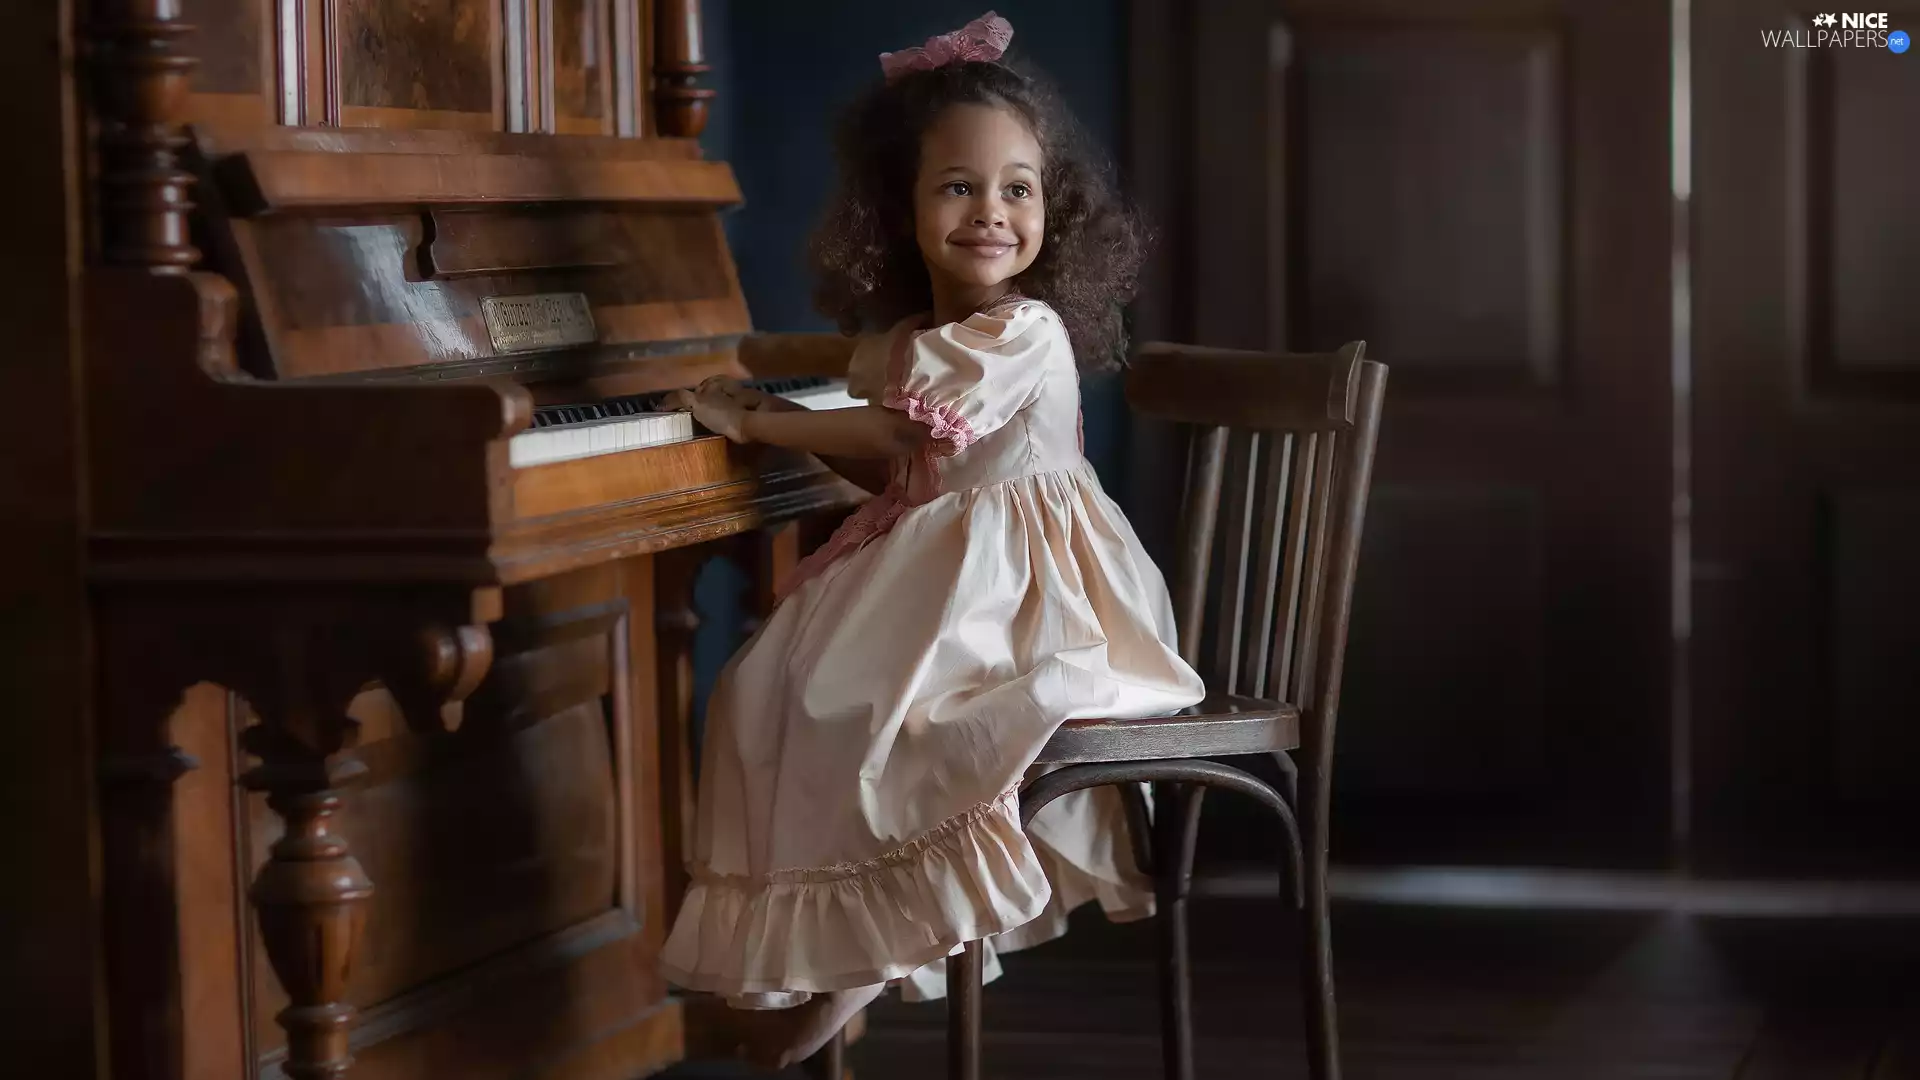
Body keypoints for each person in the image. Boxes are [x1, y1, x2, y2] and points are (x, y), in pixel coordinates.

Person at [659, 12, 1205, 1068]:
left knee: (869, 713)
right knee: (761, 686)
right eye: (957, 187)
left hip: (1034, 597)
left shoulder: (1023, 330)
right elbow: (906, 459)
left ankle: (861, 962)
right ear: (898, 209)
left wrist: (760, 421)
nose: (990, 214)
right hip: (948, 570)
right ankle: (820, 956)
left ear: (1056, 209)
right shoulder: (915, 341)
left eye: (1018, 189)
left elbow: (901, 431)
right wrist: (792, 434)